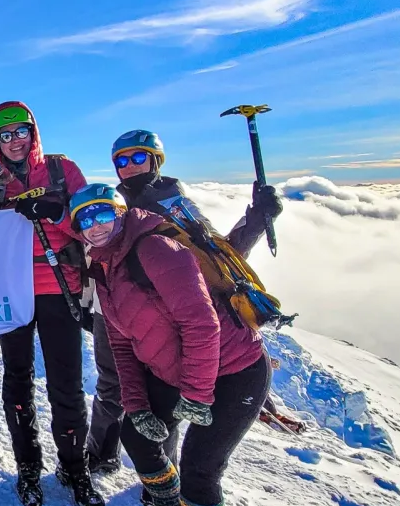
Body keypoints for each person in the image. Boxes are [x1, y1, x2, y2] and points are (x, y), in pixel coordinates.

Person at [70, 183, 272, 506]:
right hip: (180, 374)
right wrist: (138, 405)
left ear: (122, 212)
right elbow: (123, 347)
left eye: (102, 212)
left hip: (236, 372)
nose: (95, 225)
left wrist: (197, 396)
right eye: (84, 219)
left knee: (200, 471)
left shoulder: (158, 249)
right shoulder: (105, 270)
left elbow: (201, 324)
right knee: (135, 435)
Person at [86, 130, 282, 479]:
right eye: (121, 161)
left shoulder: (174, 203)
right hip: (116, 311)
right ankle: (103, 454)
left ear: (156, 159)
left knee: (164, 393)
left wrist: (254, 222)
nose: (128, 166)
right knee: (115, 384)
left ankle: (163, 472)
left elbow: (217, 256)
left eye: (137, 157)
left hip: (173, 315)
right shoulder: (114, 205)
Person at [0, 101, 105, 506]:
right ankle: (28, 466)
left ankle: (74, 467)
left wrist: (57, 213)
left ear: (33, 132)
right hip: (13, 293)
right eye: (4, 136)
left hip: (60, 289)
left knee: (66, 383)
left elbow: (94, 222)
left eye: (20, 132)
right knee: (18, 381)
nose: (14, 142)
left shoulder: (64, 172)